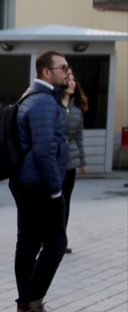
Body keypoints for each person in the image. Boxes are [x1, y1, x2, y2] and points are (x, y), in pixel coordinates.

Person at [10, 51, 71, 312]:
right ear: (47, 72)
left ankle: (27, 307)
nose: (67, 72)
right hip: (39, 184)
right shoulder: (44, 103)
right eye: (63, 68)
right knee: (56, 243)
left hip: (26, 181)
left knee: (29, 244)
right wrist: (56, 190)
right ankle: (30, 304)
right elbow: (45, 150)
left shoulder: (32, 97)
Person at [61, 78, 88, 247]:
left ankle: (60, 238)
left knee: (65, 200)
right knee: (51, 200)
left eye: (74, 81)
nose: (72, 83)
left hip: (70, 160)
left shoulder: (77, 108)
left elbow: (79, 137)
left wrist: (83, 161)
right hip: (54, 156)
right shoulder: (53, 104)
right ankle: (46, 236)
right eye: (68, 80)